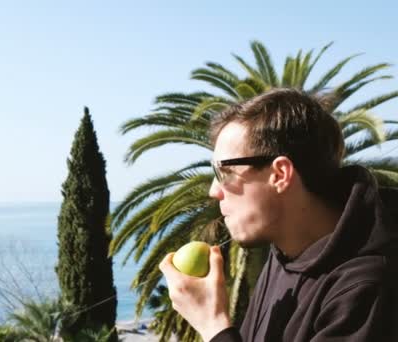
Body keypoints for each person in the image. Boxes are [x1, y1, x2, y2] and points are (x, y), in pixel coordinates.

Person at [159, 88, 398, 342]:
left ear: (280, 174)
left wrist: (213, 326)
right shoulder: (287, 249)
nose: (213, 191)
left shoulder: (368, 287)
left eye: (224, 173)